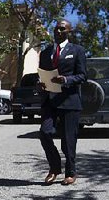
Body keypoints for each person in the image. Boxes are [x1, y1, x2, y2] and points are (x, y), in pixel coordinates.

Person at [37, 19, 88, 186]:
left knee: (68, 139)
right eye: (56, 29)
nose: (58, 31)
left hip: (69, 100)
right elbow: (43, 73)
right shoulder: (45, 53)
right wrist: (41, 83)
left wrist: (66, 79)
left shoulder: (77, 50)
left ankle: (70, 172)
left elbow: (82, 75)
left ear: (68, 32)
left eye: (62, 29)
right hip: (50, 100)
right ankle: (54, 168)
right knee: (44, 133)